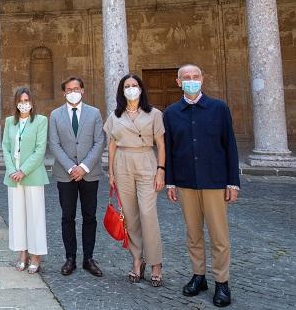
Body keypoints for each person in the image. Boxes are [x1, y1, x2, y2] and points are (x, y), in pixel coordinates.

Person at [164, 64, 240, 308]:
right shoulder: (172, 112)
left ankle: (222, 282)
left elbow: (230, 145)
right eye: (186, 77)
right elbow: (170, 150)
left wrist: (233, 182)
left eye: (195, 77)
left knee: (219, 235)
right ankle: (199, 276)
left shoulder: (219, 108)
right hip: (186, 182)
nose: (191, 80)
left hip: (215, 181)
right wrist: (170, 182)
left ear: (203, 79)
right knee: (193, 234)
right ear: (178, 82)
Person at [103, 74, 165, 287]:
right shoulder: (115, 115)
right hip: (122, 163)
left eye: (134, 85)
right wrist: (111, 172)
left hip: (146, 160)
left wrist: (161, 170)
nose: (131, 89)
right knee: (130, 216)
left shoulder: (154, 113)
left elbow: (161, 143)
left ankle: (156, 262)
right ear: (122, 91)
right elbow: (111, 145)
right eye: (127, 86)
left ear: (141, 89)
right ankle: (137, 259)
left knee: (148, 214)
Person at [48, 76, 105, 277]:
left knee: (90, 216)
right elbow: (54, 144)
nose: (73, 92)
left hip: (89, 173)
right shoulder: (55, 115)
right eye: (69, 89)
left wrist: (83, 167)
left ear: (82, 90)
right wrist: (72, 168)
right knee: (67, 217)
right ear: (64, 93)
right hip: (65, 175)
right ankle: (70, 258)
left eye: (76, 88)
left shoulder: (94, 113)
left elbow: (99, 142)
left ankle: (88, 258)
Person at [1, 87, 49, 274]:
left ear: (32, 102)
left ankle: (36, 255)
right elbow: (5, 147)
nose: (24, 103)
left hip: (32, 175)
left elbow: (40, 149)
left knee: (35, 216)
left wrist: (23, 170)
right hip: (13, 177)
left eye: (27, 100)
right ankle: (22, 253)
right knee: (17, 216)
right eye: (20, 100)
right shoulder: (9, 122)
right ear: (16, 103)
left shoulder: (40, 121)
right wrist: (12, 170)